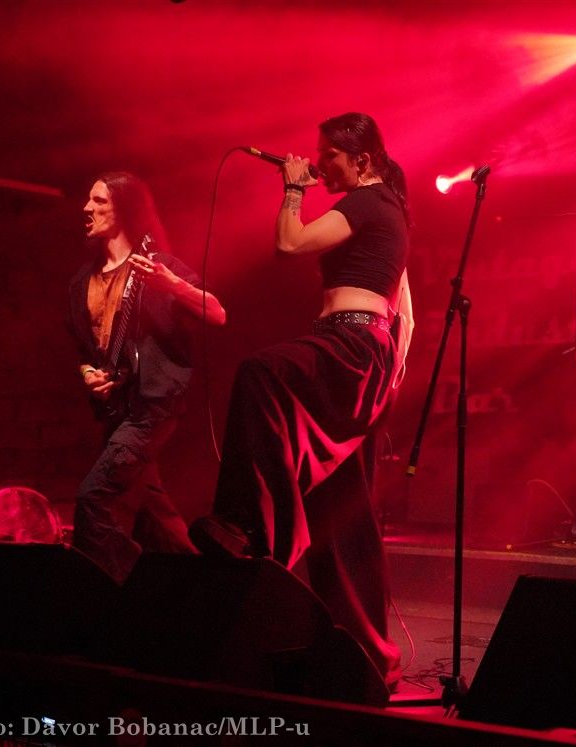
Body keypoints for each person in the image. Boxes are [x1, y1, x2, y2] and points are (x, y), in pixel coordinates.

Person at [189, 112, 413, 692]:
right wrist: (391, 377)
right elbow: (406, 310)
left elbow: (289, 242)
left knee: (261, 372)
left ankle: (253, 529)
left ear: (362, 159)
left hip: (350, 347)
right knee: (343, 509)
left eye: (329, 155)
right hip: (364, 352)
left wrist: (293, 189)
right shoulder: (388, 209)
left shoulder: (367, 202)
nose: (320, 164)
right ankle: (366, 651)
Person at [67, 171, 227, 582]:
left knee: (93, 499)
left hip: (152, 406)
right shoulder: (82, 282)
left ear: (124, 210)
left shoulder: (157, 268)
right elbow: (84, 352)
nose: (87, 208)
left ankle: (115, 590)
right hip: (116, 410)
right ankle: (205, 587)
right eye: (89, 200)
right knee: (156, 516)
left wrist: (171, 284)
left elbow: (217, 313)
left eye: (100, 201)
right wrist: (88, 374)